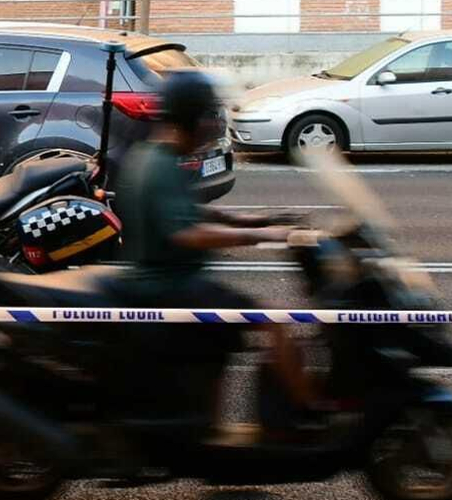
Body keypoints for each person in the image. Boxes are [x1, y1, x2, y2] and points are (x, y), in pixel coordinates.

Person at [113, 70, 313, 424]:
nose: (211, 126)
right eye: (207, 117)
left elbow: (187, 210)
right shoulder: (159, 166)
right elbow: (186, 233)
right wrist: (263, 237)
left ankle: (211, 425)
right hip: (170, 287)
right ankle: (309, 413)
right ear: (190, 119)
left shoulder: (151, 156)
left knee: (219, 348)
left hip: (167, 283)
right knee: (275, 321)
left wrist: (257, 219)